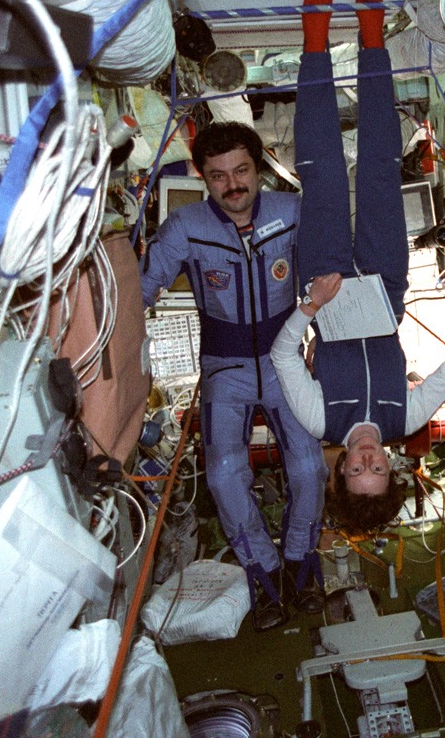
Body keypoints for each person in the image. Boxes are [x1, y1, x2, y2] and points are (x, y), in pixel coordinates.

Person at [271, 0, 445, 533]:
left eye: (357, 470)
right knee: (380, 167)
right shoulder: (406, 418)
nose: (368, 459)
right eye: (377, 470)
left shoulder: (321, 422)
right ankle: (371, 35)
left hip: (325, 290)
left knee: (322, 170)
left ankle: (315, 39)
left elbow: (282, 357)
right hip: (384, 283)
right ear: (392, 469)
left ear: (341, 469)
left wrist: (310, 305)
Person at [141, 121, 327, 631]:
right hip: (225, 368)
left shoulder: (292, 212)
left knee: (309, 467)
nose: (233, 185)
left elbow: (328, 272)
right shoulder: (185, 226)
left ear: (258, 168)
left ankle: (301, 560)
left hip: (284, 360)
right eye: (218, 176)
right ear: (203, 177)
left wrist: (329, 332)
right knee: (223, 474)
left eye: (241, 170)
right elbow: (144, 287)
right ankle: (262, 570)